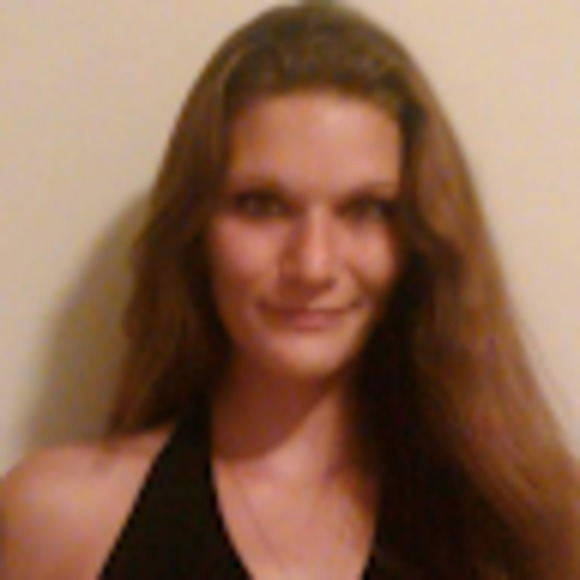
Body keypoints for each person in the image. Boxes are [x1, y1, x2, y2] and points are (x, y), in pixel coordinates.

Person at [1, 2, 577, 578]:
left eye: (366, 209)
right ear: (196, 230)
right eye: (262, 205)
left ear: (419, 238)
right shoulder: (63, 520)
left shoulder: (528, 525)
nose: (313, 264)